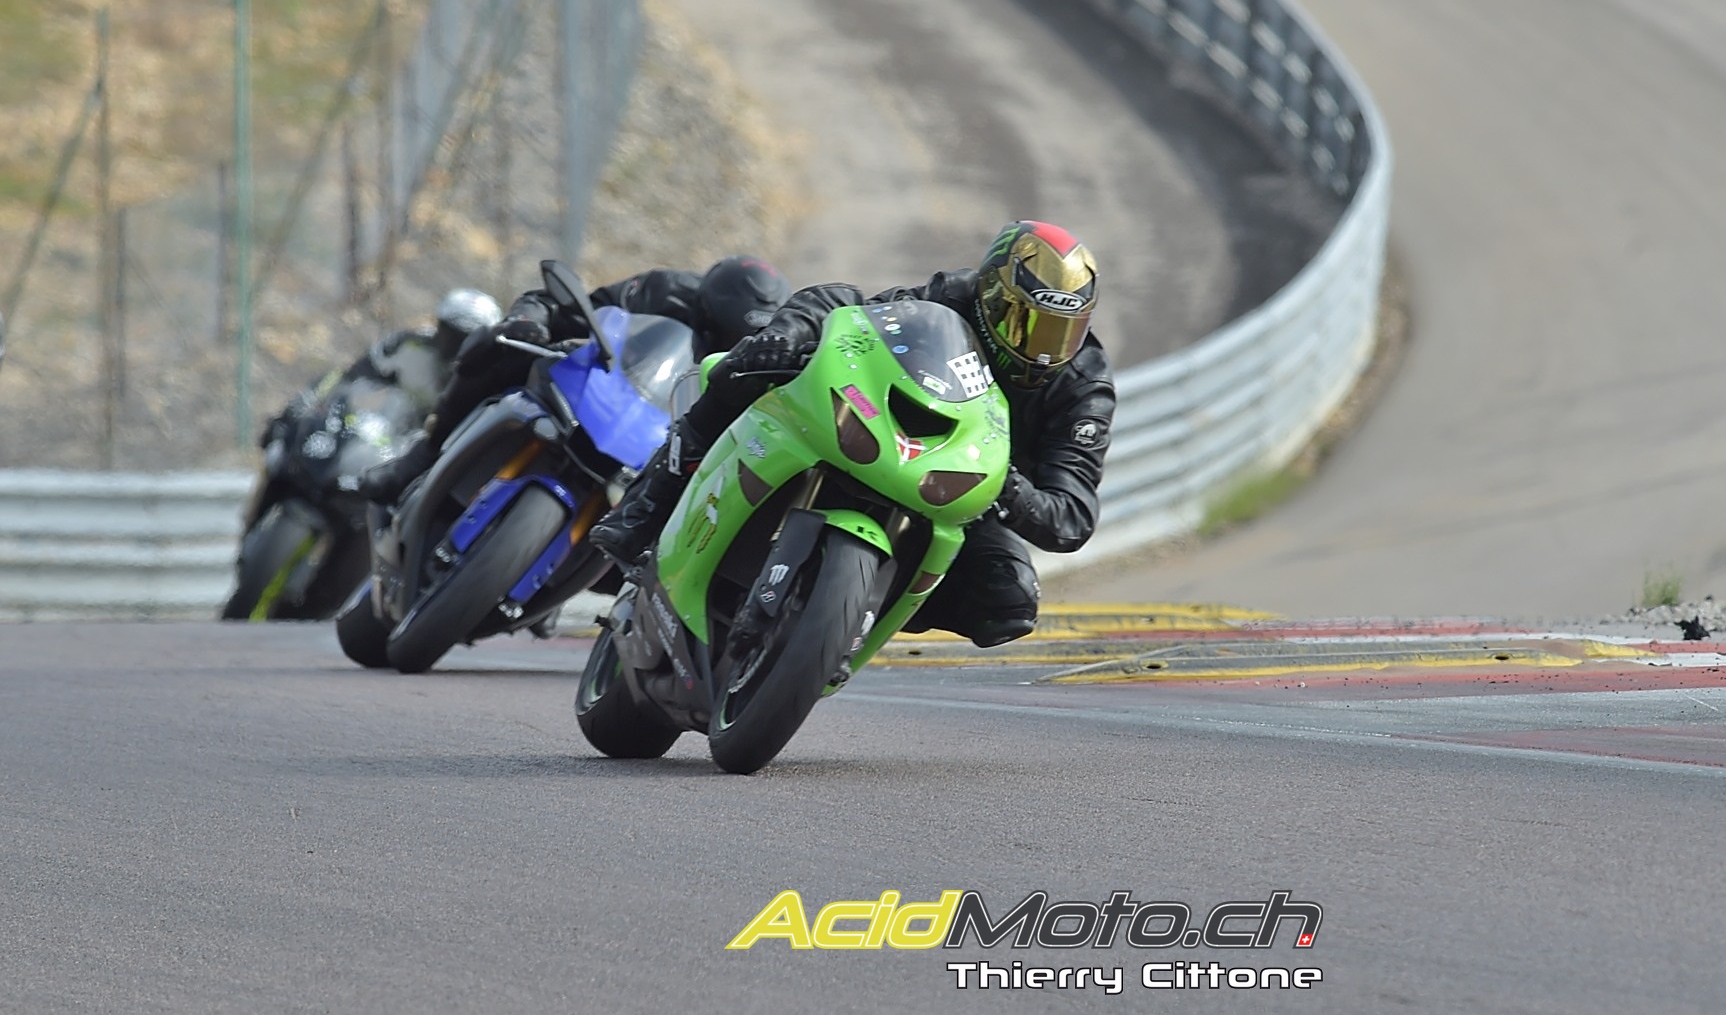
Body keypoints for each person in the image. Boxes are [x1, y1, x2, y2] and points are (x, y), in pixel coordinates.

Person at [587, 220, 1114, 648]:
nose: (1044, 349)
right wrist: (788, 333)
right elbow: (857, 319)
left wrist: (1008, 486)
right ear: (993, 296)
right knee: (745, 365)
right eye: (1029, 323)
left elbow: (1071, 515)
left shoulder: (1082, 389)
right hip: (876, 429)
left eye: (1062, 332)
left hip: (956, 490)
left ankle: (846, 618)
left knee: (1009, 600)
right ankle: (644, 508)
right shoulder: (950, 298)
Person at [359, 257, 792, 503]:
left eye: (737, 339)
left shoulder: (765, 359)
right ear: (706, 307)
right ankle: (422, 457)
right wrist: (528, 320)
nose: (725, 343)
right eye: (721, 332)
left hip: (661, 436)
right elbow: (572, 306)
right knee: (499, 345)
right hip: (600, 384)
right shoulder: (666, 290)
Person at [261, 288, 502, 450]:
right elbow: (349, 376)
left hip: (413, 454)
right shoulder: (407, 344)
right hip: (368, 438)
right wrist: (302, 408)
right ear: (439, 325)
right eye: (449, 331)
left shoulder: (487, 376)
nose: (454, 344)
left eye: (466, 338)